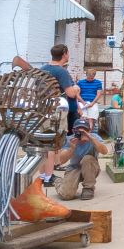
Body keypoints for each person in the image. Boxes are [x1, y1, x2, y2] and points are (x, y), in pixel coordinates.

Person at [13, 44, 81, 187]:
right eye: (68, 53)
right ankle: (48, 177)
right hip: (56, 111)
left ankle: (44, 175)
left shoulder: (43, 69)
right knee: (51, 145)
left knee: (43, 144)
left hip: (42, 110)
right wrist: (76, 88)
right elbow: (70, 93)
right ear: (65, 54)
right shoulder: (61, 71)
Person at [55, 118, 109, 201]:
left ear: (89, 130)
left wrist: (90, 138)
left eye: (85, 130)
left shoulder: (94, 137)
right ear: (73, 130)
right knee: (66, 195)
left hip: (90, 168)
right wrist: (71, 148)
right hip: (74, 168)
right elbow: (61, 161)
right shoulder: (70, 139)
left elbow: (105, 151)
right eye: (79, 130)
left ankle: (88, 188)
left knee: (87, 158)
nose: (82, 132)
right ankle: (58, 182)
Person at [76, 68, 103, 132]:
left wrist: (92, 103)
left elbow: (98, 94)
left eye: (92, 78)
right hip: (82, 102)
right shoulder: (80, 82)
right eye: (89, 77)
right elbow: (77, 94)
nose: (90, 79)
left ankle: (89, 131)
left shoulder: (98, 83)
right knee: (82, 117)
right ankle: (82, 131)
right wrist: (83, 102)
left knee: (91, 117)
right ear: (86, 75)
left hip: (92, 102)